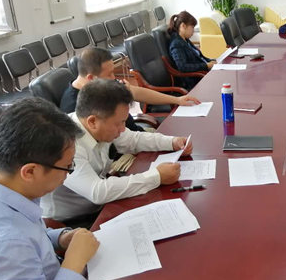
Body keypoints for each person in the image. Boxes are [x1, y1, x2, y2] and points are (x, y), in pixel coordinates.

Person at [0, 98, 139, 280]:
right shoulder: (8, 244)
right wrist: (73, 266)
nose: (68, 174)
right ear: (30, 171)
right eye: (67, 167)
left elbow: (30, 236)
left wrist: (61, 237)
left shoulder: (4, 191)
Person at [42, 79, 191, 227]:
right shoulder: (66, 144)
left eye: (124, 121)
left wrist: (172, 142)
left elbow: (133, 139)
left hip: (104, 204)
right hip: (74, 222)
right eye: (119, 123)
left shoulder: (100, 122)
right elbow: (98, 192)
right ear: (92, 122)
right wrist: (157, 176)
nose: (123, 128)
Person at [60, 47, 200, 131]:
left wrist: (176, 100)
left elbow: (137, 92)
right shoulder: (75, 107)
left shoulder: (101, 85)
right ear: (91, 78)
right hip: (123, 153)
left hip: (135, 136)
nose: (114, 77)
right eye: (109, 74)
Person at [168, 11, 215, 90]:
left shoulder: (185, 40)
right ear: (183, 26)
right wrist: (206, 65)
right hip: (194, 81)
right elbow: (182, 67)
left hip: (203, 74)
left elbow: (199, 56)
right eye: (192, 27)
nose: (193, 31)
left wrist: (211, 61)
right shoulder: (176, 44)